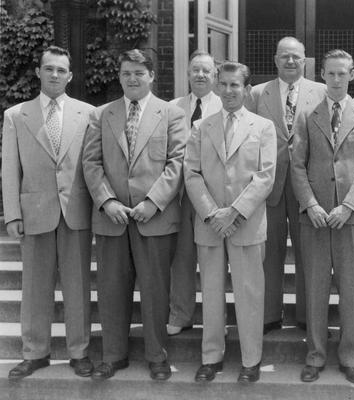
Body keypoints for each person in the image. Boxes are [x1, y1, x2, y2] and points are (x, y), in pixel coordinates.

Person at [82, 49, 188, 381]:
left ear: (152, 76)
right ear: (119, 76)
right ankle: (114, 355)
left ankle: (157, 355)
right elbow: (91, 163)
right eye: (126, 72)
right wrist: (107, 201)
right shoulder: (102, 114)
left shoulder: (171, 114)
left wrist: (153, 202)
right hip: (112, 218)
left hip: (153, 217)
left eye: (139, 73)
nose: (132, 78)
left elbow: (177, 163)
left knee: (156, 290)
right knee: (112, 289)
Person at [2, 45, 94, 379]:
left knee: (78, 286)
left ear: (70, 76)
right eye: (49, 68)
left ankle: (79, 351)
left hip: (76, 212)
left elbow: (92, 166)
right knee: (34, 287)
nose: (55, 75)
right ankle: (35, 352)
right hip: (35, 211)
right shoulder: (16, 115)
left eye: (61, 70)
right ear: (39, 72)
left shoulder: (88, 113)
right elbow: (10, 168)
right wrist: (12, 214)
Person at [184, 61, 276, 383]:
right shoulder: (201, 127)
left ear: (246, 88)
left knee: (249, 293)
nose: (227, 91)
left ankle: (251, 360)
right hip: (210, 223)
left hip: (246, 223)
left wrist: (235, 212)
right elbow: (192, 173)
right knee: (210, 292)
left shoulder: (263, 127)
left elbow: (265, 177)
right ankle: (212, 357)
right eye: (222, 84)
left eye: (234, 85)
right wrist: (212, 213)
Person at [291, 49, 354, 384]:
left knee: (350, 288)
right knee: (315, 287)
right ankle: (315, 355)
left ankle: (351, 357)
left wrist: (349, 205)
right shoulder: (306, 114)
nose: (337, 79)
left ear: (353, 74)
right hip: (314, 216)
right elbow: (298, 165)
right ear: (322, 75)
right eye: (331, 73)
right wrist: (310, 204)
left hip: (350, 217)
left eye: (343, 73)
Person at [247, 37, 326, 334]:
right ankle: (269, 315)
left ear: (305, 59)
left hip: (309, 187)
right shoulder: (257, 93)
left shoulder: (321, 92)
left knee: (310, 254)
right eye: (284, 56)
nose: (290, 61)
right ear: (275, 59)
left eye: (296, 56)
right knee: (269, 254)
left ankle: (308, 316)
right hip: (271, 185)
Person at [166, 50, 223, 336]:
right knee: (181, 258)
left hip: (213, 197)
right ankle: (181, 314)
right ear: (187, 74)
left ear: (215, 75)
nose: (200, 75)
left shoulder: (226, 106)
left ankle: (215, 320)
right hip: (178, 196)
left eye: (206, 71)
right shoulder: (172, 108)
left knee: (213, 261)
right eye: (195, 70)